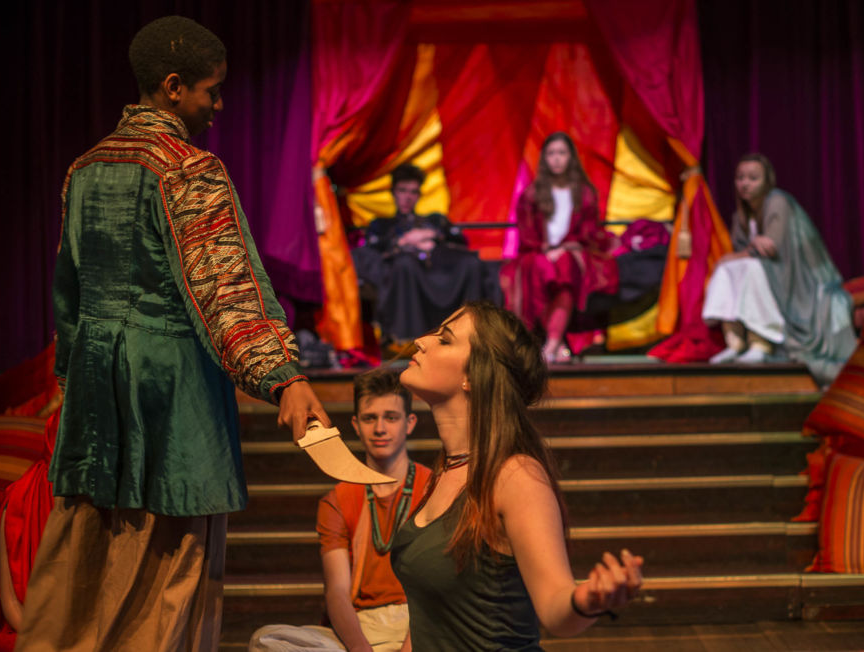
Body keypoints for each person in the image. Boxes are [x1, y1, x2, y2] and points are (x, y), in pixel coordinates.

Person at [14, 16, 332, 652]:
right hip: (170, 388)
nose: (217, 106)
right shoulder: (189, 170)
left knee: (90, 544)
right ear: (172, 87)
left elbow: (67, 295)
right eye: (210, 91)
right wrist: (284, 378)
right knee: (173, 554)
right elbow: (228, 288)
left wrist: (73, 382)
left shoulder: (85, 168)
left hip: (98, 390)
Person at [391, 301, 643, 651]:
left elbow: (556, 605)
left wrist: (586, 601)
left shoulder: (514, 476)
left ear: (473, 376)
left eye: (444, 339)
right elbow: (428, 621)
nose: (420, 340)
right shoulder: (446, 471)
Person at [249, 369, 432, 652]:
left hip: (423, 624)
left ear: (409, 423)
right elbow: (336, 591)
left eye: (391, 417)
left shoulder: (433, 487)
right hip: (362, 627)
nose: (380, 428)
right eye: (370, 418)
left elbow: (441, 589)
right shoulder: (339, 498)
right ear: (356, 425)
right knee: (267, 640)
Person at [702, 153, 856, 384]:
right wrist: (746, 250)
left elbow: (771, 248)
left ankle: (760, 341)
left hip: (795, 276)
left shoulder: (778, 201)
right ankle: (735, 341)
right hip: (768, 270)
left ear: (766, 181)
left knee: (750, 268)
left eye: (753, 178)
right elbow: (748, 252)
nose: (745, 183)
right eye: (740, 177)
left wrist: (748, 251)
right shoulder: (741, 216)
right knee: (728, 270)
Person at [500, 132, 618, 364]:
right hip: (537, 252)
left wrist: (567, 247)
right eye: (551, 153)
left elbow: (588, 231)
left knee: (565, 268)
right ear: (544, 158)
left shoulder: (584, 194)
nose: (556, 159)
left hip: (572, 252)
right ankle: (558, 344)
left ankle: (551, 344)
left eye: (561, 153)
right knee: (540, 269)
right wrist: (546, 249)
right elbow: (526, 234)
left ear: (570, 158)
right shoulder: (531, 195)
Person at [351, 164, 488, 347]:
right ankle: (405, 337)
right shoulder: (381, 225)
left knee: (470, 263)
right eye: (403, 190)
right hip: (404, 278)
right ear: (393, 192)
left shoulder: (434, 221)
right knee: (404, 265)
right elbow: (373, 250)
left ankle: (472, 332)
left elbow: (459, 239)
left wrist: (431, 236)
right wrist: (403, 242)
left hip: (437, 274)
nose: (407, 197)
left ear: (419, 195)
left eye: (413, 192)